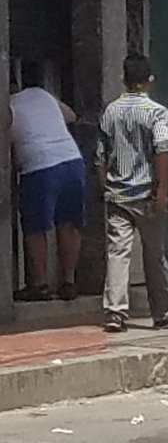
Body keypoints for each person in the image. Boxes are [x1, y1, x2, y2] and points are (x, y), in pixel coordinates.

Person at [96, 53, 168, 334]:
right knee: (154, 254)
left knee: (118, 253)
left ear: (124, 80)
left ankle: (115, 312)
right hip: (147, 195)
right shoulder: (157, 112)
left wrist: (104, 185)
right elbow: (163, 150)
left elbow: (100, 155)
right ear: (149, 80)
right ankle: (162, 311)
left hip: (117, 194)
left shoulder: (110, 111)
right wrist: (163, 190)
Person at [8, 61, 86, 301]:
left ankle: (40, 284)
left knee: (35, 228)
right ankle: (69, 282)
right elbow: (71, 116)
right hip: (72, 161)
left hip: (39, 167)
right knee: (68, 223)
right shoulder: (40, 93)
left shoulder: (7, 107)